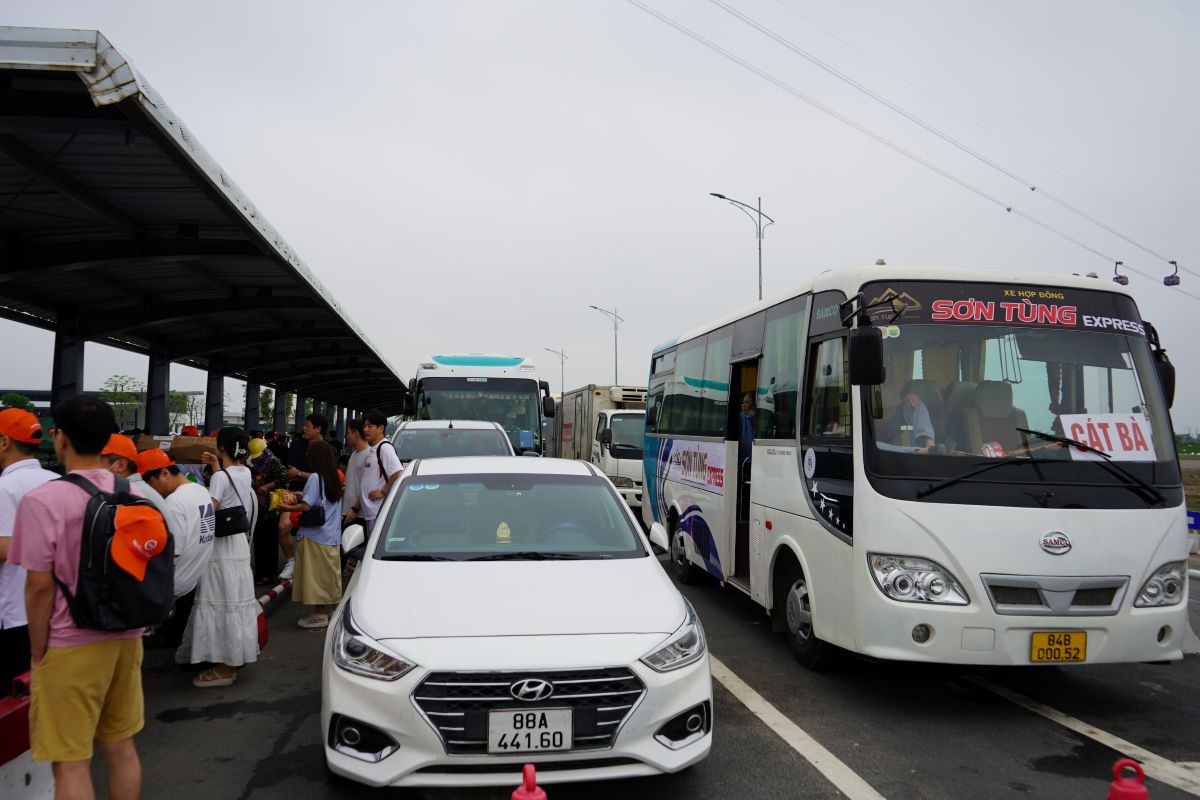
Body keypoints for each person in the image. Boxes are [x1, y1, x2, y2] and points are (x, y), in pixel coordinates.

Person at [10, 397, 145, 799]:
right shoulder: (129, 492)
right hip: (127, 635)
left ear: (59, 437)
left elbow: (37, 586)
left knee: (72, 762)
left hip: (71, 643)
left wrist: (38, 652)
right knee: (121, 748)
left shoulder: (44, 500)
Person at [190, 428, 258, 687]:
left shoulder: (219, 478)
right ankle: (234, 657)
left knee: (219, 600)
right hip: (238, 544)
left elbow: (211, 509)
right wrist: (217, 466)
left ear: (220, 448)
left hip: (221, 546)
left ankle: (224, 667)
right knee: (235, 600)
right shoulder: (245, 472)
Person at [0, 409, 56, 692]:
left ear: (4, 442)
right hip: (58, 607)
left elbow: (4, 547)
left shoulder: (5, 487)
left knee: (16, 696)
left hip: (17, 611)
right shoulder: (56, 481)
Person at [139, 450, 214, 650]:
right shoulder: (201, 490)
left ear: (164, 473)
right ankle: (170, 633)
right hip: (192, 576)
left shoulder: (174, 502)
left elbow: (173, 550)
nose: (151, 491)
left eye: (150, 484)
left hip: (174, 581)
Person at [280, 440, 343, 629]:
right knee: (329, 577)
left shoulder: (315, 477)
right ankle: (336, 613)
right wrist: (303, 495)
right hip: (331, 535)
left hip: (316, 535)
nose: (307, 456)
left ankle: (319, 615)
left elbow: (306, 506)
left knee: (316, 578)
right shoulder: (333, 476)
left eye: (309, 453)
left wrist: (286, 506)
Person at [345, 409, 402, 535]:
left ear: (381, 428)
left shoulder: (385, 448)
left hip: (377, 511)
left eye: (370, 426)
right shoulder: (374, 449)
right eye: (364, 426)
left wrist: (383, 491)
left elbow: (397, 472)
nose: (365, 429)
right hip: (370, 512)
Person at [248, 437, 287, 585]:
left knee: (270, 539)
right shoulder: (253, 463)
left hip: (272, 504)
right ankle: (260, 572)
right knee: (259, 539)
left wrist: (268, 486)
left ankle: (269, 573)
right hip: (258, 504)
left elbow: (285, 479)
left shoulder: (274, 461)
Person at [875, 387, 936, 453]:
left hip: (916, 448)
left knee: (917, 404)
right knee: (875, 445)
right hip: (879, 449)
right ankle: (920, 452)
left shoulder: (898, 412)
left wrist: (907, 401)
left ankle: (931, 447)